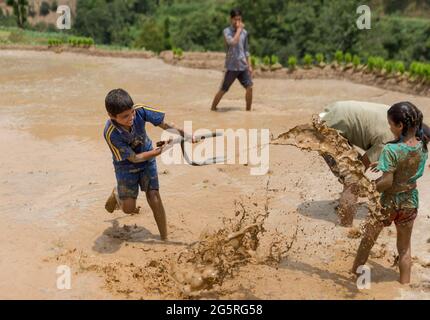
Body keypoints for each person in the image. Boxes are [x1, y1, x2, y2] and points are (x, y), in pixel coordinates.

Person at [103, 88, 195, 241]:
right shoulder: (110, 133)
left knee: (154, 196)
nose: (131, 117)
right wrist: (159, 151)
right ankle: (118, 194)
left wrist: (183, 133)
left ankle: (164, 237)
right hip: (126, 166)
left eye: (131, 112)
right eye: (125, 116)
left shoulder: (140, 111)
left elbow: (164, 124)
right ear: (112, 116)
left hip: (147, 156)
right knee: (129, 209)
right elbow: (134, 158)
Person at [352, 101, 428, 284]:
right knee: (404, 250)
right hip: (410, 202)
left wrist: (367, 189)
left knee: (367, 242)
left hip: (388, 203)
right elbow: (407, 164)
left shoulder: (391, 149)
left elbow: (387, 182)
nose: (389, 127)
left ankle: (355, 275)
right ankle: (404, 285)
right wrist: (385, 165)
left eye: (391, 124)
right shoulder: (422, 144)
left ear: (400, 125)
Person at [211, 8, 253, 112]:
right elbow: (232, 43)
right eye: (235, 19)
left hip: (243, 66)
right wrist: (239, 30)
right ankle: (212, 108)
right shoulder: (226, 31)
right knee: (223, 89)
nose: (238, 22)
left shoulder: (245, 33)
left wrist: (250, 65)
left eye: (239, 19)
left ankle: (248, 112)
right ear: (231, 19)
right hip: (231, 66)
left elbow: (246, 50)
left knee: (250, 87)